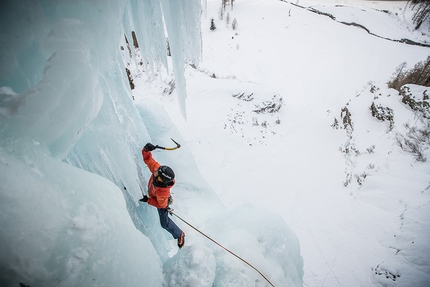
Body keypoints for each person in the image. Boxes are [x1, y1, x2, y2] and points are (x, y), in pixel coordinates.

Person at [139, 142, 185, 249]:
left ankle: (180, 234)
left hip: (161, 201)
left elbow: (160, 205)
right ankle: (169, 200)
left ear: (162, 181)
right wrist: (146, 150)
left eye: (157, 175)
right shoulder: (157, 171)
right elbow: (148, 159)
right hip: (155, 194)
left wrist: (148, 200)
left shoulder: (163, 193)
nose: (154, 172)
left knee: (164, 223)